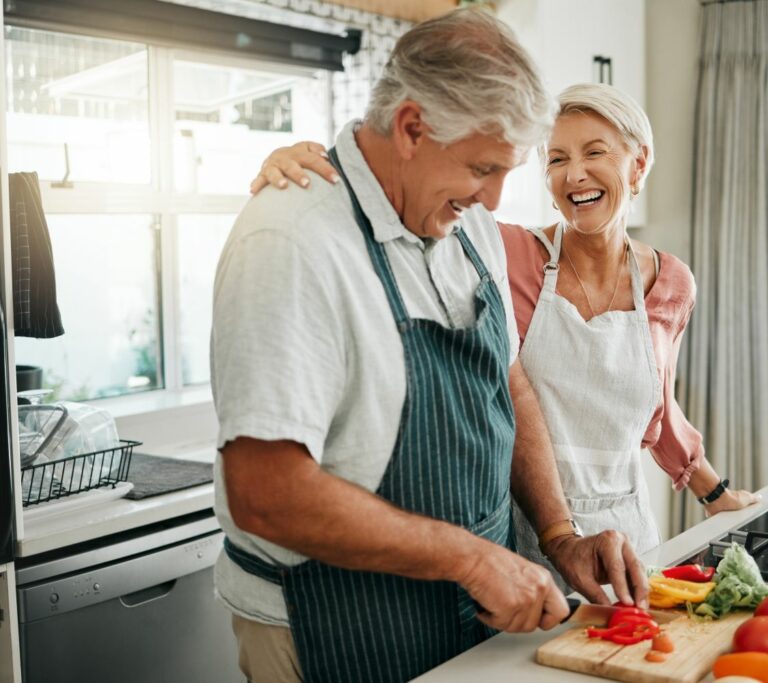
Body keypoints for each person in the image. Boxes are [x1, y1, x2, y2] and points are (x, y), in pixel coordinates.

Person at [212, 11, 648, 683]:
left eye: (506, 170)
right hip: (331, 623)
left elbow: (509, 383)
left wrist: (560, 535)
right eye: (481, 166)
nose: (494, 198)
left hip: (462, 611)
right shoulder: (293, 240)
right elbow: (266, 491)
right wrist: (471, 558)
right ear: (412, 127)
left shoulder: (465, 221)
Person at [252, 82, 760, 590]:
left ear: (639, 162)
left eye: (595, 152)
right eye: (556, 158)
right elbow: (403, 200)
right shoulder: (506, 251)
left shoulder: (671, 282)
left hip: (629, 537)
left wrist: (716, 495)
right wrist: (313, 167)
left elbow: (657, 407)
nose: (574, 173)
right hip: (520, 537)